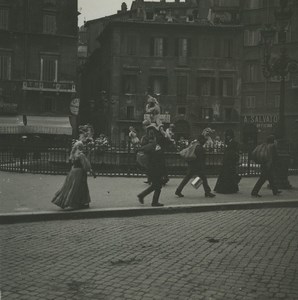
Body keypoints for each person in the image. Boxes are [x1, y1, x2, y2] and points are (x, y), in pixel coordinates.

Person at [52, 141, 95, 210]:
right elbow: (86, 166)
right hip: (80, 172)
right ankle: (80, 202)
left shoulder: (73, 154)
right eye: (82, 146)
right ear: (80, 147)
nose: (83, 147)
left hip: (73, 171)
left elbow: (72, 163)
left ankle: (74, 202)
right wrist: (91, 171)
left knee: (71, 187)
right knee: (80, 187)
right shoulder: (81, 155)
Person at [137, 134, 166, 207]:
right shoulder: (157, 146)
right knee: (158, 186)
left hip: (149, 169)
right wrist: (164, 172)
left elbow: (138, 150)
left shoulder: (146, 146)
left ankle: (141, 195)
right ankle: (154, 202)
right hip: (157, 169)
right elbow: (161, 159)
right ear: (155, 138)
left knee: (155, 185)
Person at [214, 129, 240, 194]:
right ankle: (229, 188)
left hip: (230, 162)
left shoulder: (234, 143)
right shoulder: (228, 142)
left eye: (228, 135)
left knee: (229, 175)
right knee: (227, 175)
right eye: (227, 135)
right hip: (227, 162)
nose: (227, 137)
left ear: (231, 136)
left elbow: (234, 152)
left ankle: (229, 189)